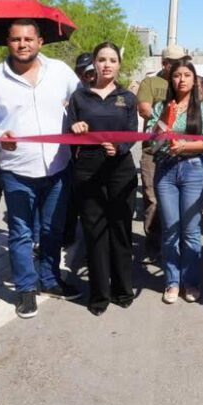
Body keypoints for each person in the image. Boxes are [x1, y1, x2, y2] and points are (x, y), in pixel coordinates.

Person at [0, 20, 83, 320]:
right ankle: (26, 290)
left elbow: (84, 101)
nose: (22, 44)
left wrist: (80, 116)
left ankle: (51, 279)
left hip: (58, 166)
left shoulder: (60, 72)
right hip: (16, 170)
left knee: (52, 230)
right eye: (16, 39)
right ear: (8, 42)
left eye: (28, 39)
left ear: (40, 41)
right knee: (20, 233)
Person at [67, 42, 140, 315]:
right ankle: (99, 296)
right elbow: (68, 130)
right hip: (87, 170)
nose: (106, 64)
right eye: (101, 59)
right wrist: (76, 127)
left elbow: (132, 133)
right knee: (95, 232)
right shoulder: (80, 97)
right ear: (93, 64)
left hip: (120, 169)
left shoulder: (127, 99)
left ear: (119, 64)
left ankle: (123, 289)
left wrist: (118, 148)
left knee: (121, 230)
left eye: (112, 60)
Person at [147, 57, 203, 304]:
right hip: (165, 170)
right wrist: (165, 118)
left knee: (190, 230)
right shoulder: (160, 108)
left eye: (187, 75)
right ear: (170, 78)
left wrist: (184, 146)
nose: (182, 79)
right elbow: (152, 143)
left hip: (193, 171)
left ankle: (190, 281)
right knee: (170, 228)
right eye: (177, 75)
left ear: (194, 79)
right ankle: (172, 282)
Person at [137, 45, 188, 263]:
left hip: (180, 150)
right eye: (175, 63)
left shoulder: (185, 81)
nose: (180, 69)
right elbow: (144, 108)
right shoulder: (151, 82)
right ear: (164, 63)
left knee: (179, 201)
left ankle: (176, 244)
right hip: (153, 149)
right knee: (153, 198)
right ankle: (153, 244)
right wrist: (165, 123)